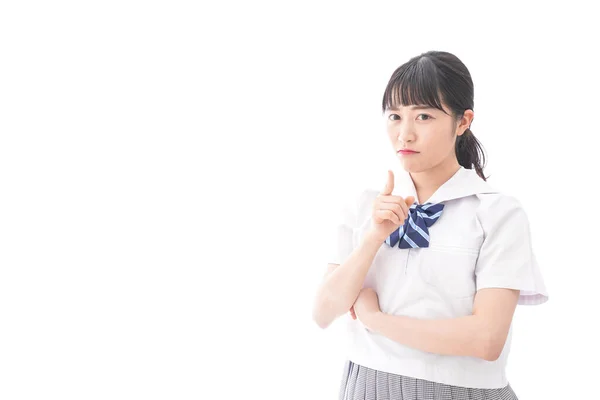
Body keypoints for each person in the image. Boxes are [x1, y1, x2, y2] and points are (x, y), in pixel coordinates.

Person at [312, 51, 549, 400]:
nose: (404, 135)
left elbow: (486, 339)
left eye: (423, 116)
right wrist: (373, 238)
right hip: (367, 387)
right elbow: (322, 312)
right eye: (395, 116)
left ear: (463, 121)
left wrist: (375, 320)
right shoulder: (365, 205)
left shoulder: (498, 212)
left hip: (464, 392)